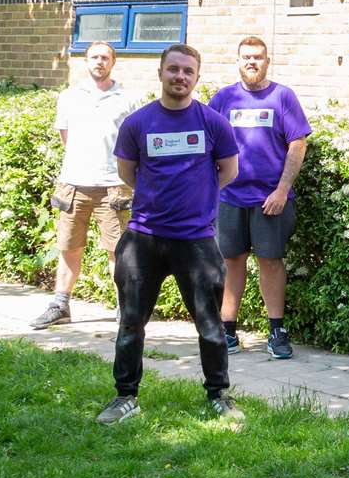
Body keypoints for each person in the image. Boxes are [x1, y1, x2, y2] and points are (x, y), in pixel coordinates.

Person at [97, 44, 241, 425]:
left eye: (188, 71)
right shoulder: (137, 124)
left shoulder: (214, 123)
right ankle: (125, 396)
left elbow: (228, 172)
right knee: (131, 322)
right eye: (173, 69)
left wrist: (196, 201)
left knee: (210, 326)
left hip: (196, 242)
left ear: (196, 77)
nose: (180, 77)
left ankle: (218, 395)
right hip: (143, 239)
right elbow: (129, 174)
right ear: (160, 73)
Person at [208, 36, 311, 359]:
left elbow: (298, 144)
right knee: (231, 261)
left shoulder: (282, 97)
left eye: (258, 57)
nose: (251, 62)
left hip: (270, 199)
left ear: (268, 61)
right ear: (237, 61)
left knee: (271, 262)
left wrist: (281, 190)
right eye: (246, 57)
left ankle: (276, 330)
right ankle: (227, 330)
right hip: (230, 198)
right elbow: (208, 146)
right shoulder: (222, 99)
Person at [32, 41, 138, 330]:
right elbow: (67, 137)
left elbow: (132, 143)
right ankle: (60, 304)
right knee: (69, 247)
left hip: (113, 187)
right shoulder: (69, 97)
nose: (99, 62)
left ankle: (125, 308)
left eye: (105, 57)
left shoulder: (126, 99)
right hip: (74, 185)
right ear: (86, 61)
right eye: (94, 57)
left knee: (118, 250)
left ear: (113, 62)